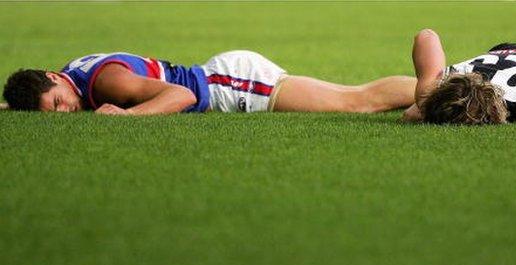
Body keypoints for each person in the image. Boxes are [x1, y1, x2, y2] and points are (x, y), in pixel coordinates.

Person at [2, 50, 417, 115]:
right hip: (225, 73)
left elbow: (181, 95)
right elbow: (36, 94)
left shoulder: (106, 84)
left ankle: (452, 88)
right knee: (352, 98)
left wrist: (129, 117)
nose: (65, 110)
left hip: (229, 84)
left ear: (56, 79)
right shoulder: (69, 73)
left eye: (57, 103)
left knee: (355, 101)